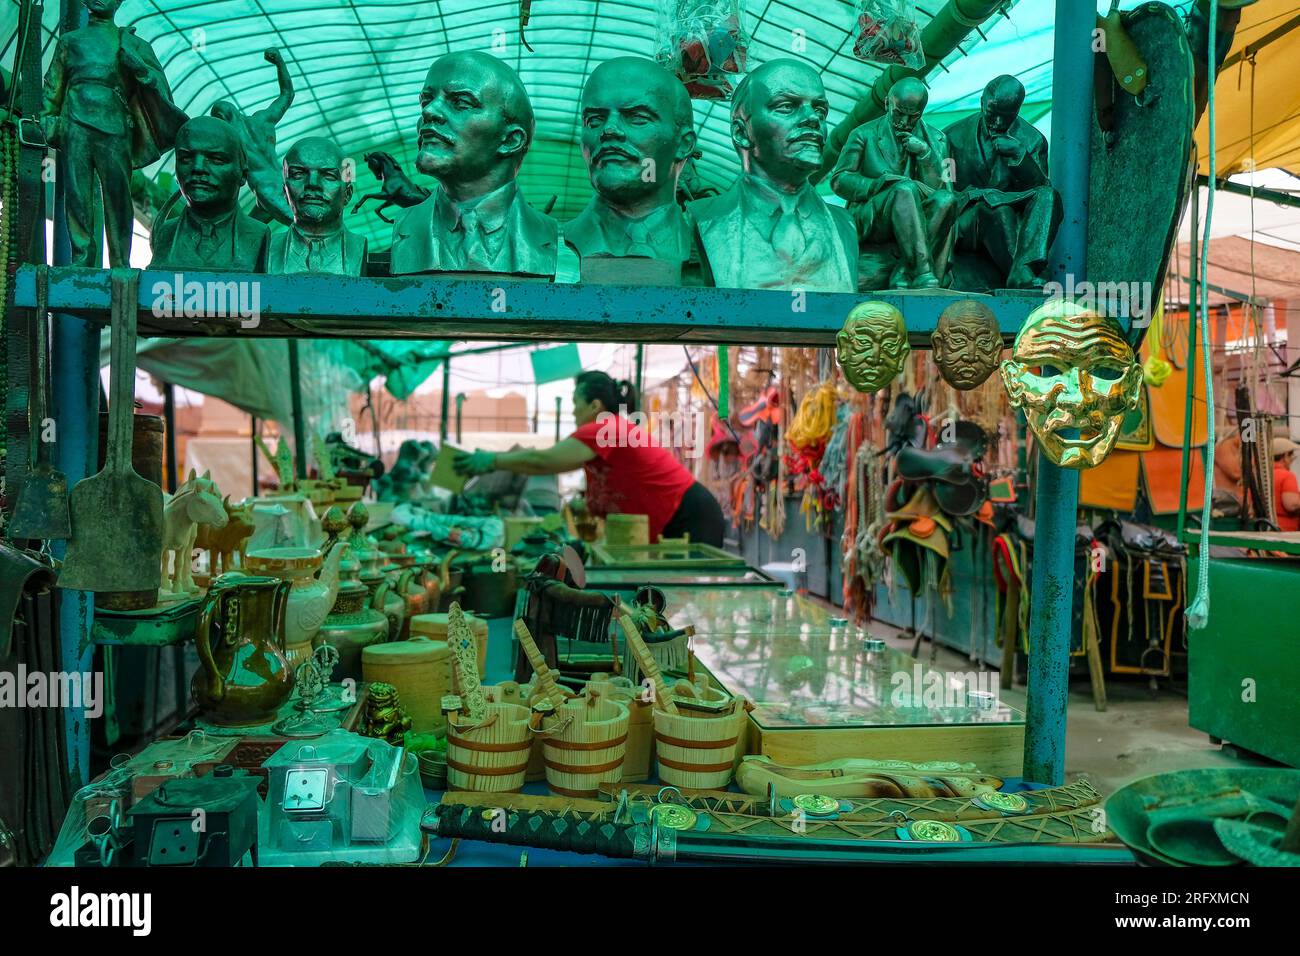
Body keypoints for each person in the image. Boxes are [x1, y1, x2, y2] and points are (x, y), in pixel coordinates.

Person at [453, 371, 727, 546]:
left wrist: (492, 461)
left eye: (575, 403)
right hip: (675, 520)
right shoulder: (608, 434)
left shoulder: (606, 428)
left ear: (595, 405)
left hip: (689, 518)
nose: (573, 411)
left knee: (677, 601)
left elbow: (542, 461)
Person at [1271, 437, 1300, 532]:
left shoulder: (1261, 476)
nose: (1292, 461)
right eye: (1291, 456)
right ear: (1286, 456)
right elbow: (1292, 505)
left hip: (1262, 528)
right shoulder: (1286, 475)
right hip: (1284, 531)